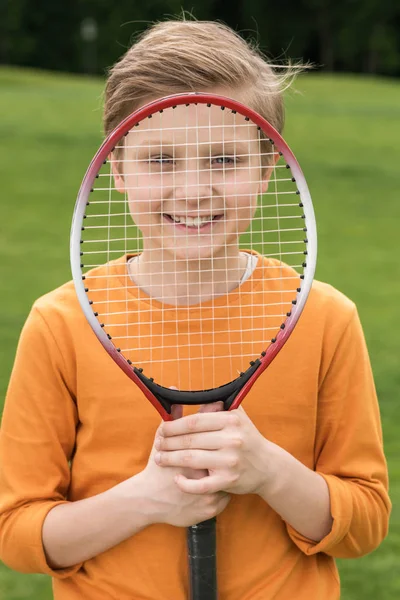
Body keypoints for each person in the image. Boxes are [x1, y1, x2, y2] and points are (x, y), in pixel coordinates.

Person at [0, 18, 390, 600]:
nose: (193, 189)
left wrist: (269, 472)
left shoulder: (324, 317)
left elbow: (364, 524)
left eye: (224, 160)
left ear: (264, 173)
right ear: (118, 172)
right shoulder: (61, 324)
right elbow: (18, 533)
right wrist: (146, 500)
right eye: (160, 160)